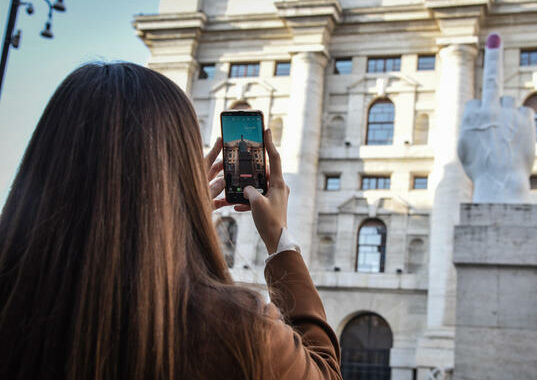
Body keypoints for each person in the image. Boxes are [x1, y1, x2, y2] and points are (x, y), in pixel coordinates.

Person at [0, 62, 341, 380]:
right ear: (178, 169)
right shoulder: (240, 328)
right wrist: (279, 242)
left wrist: (178, 215)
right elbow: (324, 371)